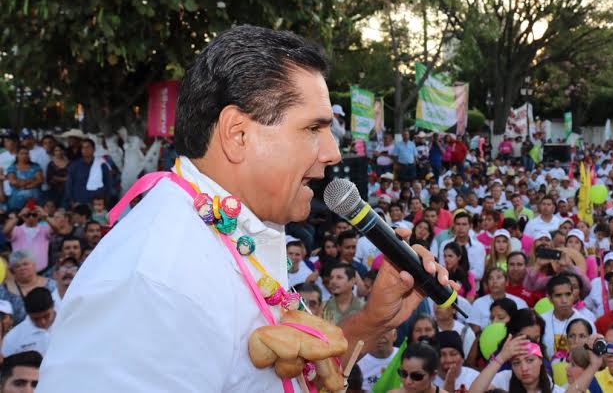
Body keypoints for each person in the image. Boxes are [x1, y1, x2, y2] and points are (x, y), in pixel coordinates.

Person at [39, 26, 452, 391]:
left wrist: (372, 321)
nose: (332, 153)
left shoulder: (233, 228)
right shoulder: (153, 281)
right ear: (237, 133)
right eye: (313, 128)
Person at [469, 334, 564, 393]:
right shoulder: (505, 379)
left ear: (540, 360)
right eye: (516, 363)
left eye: (530, 360)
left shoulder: (556, 391)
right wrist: (501, 357)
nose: (524, 368)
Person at [541, 275, 593, 360]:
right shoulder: (541, 321)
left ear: (573, 295)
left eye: (568, 294)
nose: (564, 300)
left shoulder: (586, 322)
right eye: (558, 295)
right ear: (549, 298)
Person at [470, 267, 528, 333]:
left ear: (507, 282)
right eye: (490, 278)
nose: (494, 281)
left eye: (499, 277)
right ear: (487, 283)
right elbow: (475, 332)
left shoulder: (520, 303)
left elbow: (525, 328)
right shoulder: (478, 303)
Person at [2, 288, 55, 357]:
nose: (43, 322)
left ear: (53, 306)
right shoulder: (12, 338)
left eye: (46, 316)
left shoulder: (68, 321)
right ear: (28, 314)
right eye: (36, 319)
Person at [63, 138, 113, 207]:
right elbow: (69, 184)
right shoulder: (74, 165)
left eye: (88, 147)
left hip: (97, 204)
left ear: (94, 149)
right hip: (79, 203)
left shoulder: (102, 164)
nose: (85, 149)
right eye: (83, 147)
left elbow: (108, 184)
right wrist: (72, 201)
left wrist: (106, 201)